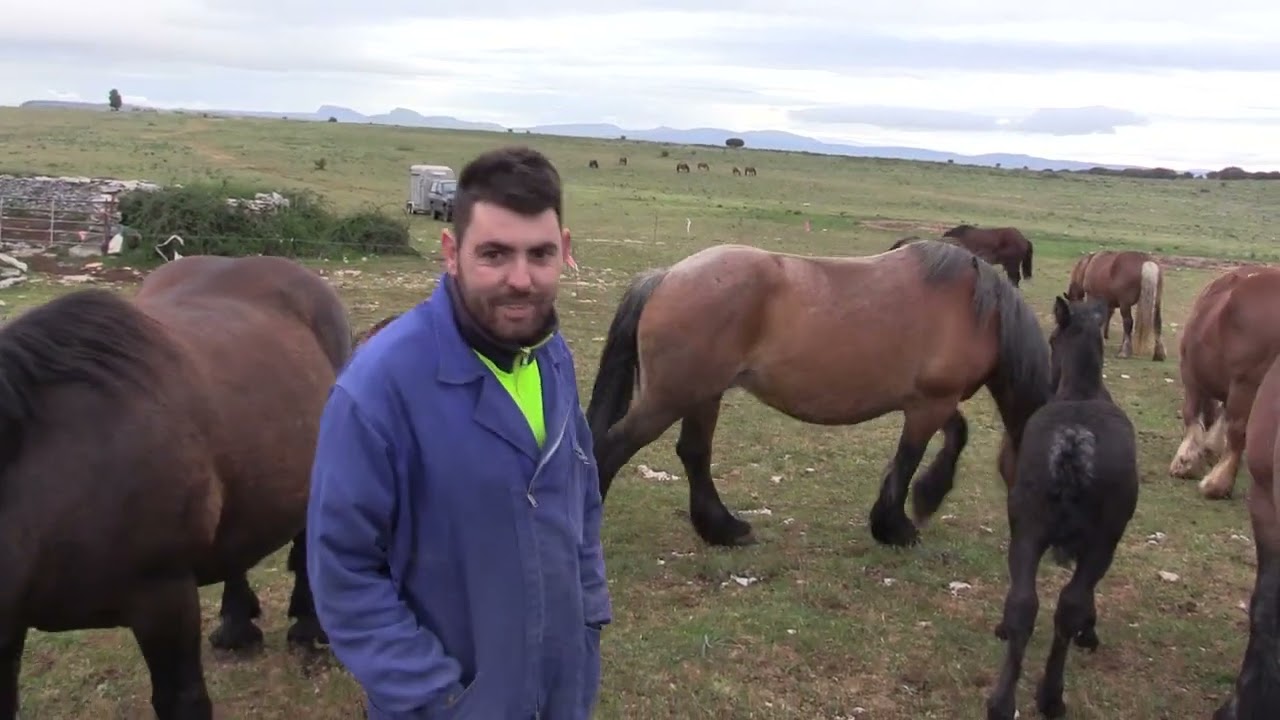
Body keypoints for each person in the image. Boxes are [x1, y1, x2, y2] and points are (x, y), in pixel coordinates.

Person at [306, 145, 611, 720]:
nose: (520, 280)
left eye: (540, 254)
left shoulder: (552, 357)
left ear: (565, 252)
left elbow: (582, 499)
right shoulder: (378, 389)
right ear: (452, 252)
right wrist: (433, 696)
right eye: (494, 253)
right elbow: (343, 568)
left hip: (561, 689)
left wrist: (588, 613)